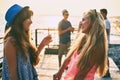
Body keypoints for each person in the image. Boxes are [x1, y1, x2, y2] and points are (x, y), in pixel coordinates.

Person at [54, 9, 108, 80]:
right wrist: (59, 72)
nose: (80, 23)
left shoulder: (97, 47)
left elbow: (81, 76)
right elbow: (68, 58)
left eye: (83, 20)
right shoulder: (83, 39)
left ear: (93, 22)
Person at [2, 4, 52, 80]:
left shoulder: (24, 39)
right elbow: (13, 76)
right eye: (28, 18)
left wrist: (42, 44)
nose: (31, 21)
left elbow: (33, 63)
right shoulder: (11, 42)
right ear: (19, 21)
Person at [100, 8, 111, 77]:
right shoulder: (104, 21)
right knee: (104, 57)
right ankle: (105, 72)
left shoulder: (106, 22)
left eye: (101, 13)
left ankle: (107, 72)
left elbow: (107, 32)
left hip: (105, 42)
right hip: (104, 42)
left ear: (104, 14)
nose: (100, 15)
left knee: (105, 57)